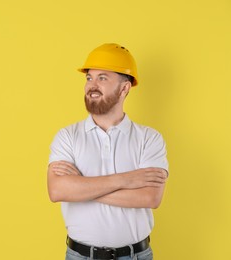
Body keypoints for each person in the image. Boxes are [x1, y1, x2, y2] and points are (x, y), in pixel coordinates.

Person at [47, 43, 169, 260]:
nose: (92, 85)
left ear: (124, 89)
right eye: (89, 78)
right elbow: (57, 191)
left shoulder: (149, 138)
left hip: (135, 256)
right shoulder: (67, 136)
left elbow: (150, 197)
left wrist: (82, 188)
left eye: (102, 78)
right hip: (80, 256)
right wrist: (127, 179)